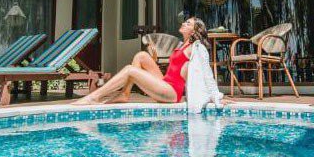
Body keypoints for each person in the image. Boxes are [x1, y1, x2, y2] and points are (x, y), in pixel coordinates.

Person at [73, 17, 223, 111]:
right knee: (141, 56)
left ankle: (94, 97)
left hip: (172, 92)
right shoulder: (181, 45)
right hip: (165, 83)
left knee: (130, 70)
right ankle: (125, 94)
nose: (183, 23)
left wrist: (215, 95)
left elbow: (206, 72)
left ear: (194, 31)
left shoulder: (196, 47)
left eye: (188, 23)